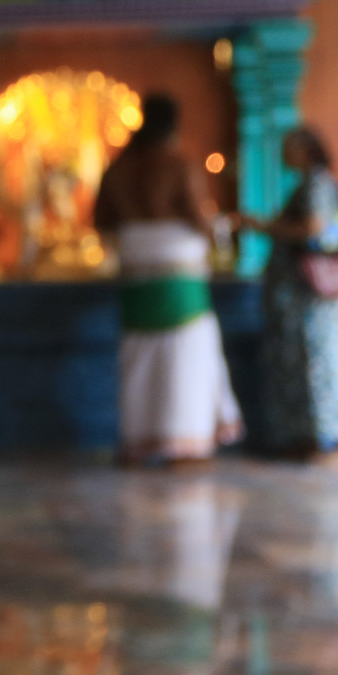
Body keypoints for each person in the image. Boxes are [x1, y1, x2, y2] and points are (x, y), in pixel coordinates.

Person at [93, 92, 241, 465]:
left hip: (134, 277)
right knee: (185, 355)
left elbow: (100, 221)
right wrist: (222, 227)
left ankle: (139, 442)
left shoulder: (118, 167)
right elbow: (197, 217)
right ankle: (185, 446)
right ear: (175, 123)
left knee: (139, 357)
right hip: (180, 279)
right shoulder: (180, 164)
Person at [237, 125, 338, 456]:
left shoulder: (317, 182)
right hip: (309, 294)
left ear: (305, 149)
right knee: (318, 359)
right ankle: (317, 434)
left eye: (289, 147)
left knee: (313, 362)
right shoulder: (320, 181)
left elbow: (314, 228)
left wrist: (262, 225)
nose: (284, 154)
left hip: (306, 294)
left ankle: (323, 434)